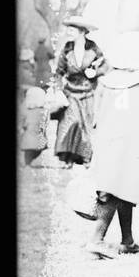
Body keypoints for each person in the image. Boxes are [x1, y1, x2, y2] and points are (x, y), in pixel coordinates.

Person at [85, 31, 139, 259]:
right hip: (134, 142)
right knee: (118, 188)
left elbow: (95, 114)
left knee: (119, 186)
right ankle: (95, 240)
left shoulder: (105, 81)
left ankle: (127, 241)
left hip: (108, 140)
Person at [53, 16, 108, 167]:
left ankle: (85, 157)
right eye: (69, 27)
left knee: (85, 123)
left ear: (82, 31)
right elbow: (58, 72)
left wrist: (95, 73)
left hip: (88, 92)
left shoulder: (93, 48)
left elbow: (105, 66)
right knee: (71, 124)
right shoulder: (67, 48)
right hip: (70, 91)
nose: (69, 30)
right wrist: (58, 91)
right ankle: (68, 158)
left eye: (73, 28)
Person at [20, 50, 48, 166]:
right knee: (37, 148)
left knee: (28, 151)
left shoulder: (26, 68)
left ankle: (27, 163)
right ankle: (29, 162)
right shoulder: (27, 69)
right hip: (39, 140)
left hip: (27, 139)